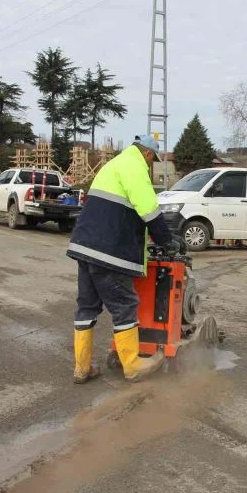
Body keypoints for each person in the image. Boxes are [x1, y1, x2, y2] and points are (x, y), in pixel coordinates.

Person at [66, 134, 180, 384]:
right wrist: (167, 241)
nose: (151, 166)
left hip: (85, 247)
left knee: (87, 306)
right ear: (148, 155)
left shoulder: (114, 165)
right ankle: (133, 365)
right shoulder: (135, 166)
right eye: (153, 161)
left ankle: (82, 367)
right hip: (109, 250)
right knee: (125, 304)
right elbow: (148, 209)